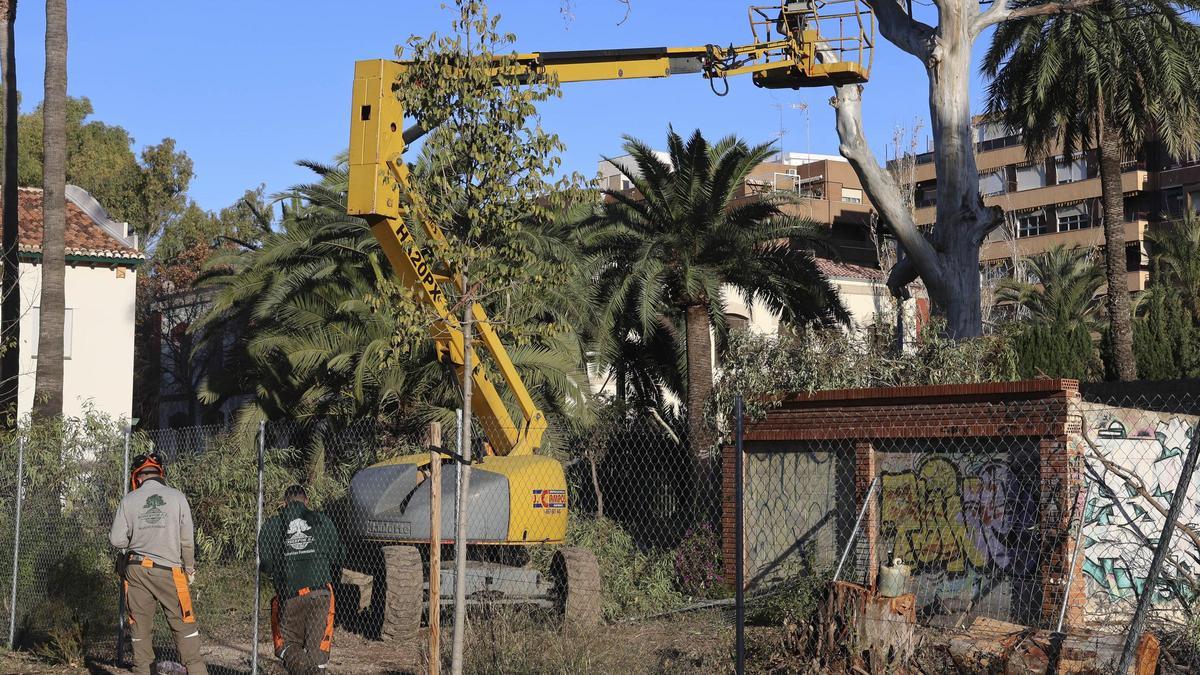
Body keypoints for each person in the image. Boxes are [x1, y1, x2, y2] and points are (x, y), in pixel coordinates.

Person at [109, 452, 209, 675]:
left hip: (134, 570)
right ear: (160, 473)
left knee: (140, 634)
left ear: (137, 476)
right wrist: (190, 567)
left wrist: (136, 539)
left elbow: (116, 540)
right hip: (169, 572)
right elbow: (187, 540)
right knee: (185, 630)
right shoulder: (177, 497)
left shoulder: (129, 499)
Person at [260, 484, 345, 674]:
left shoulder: (272, 525)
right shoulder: (322, 521)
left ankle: (304, 668)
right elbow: (339, 555)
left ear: (284, 503)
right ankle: (313, 669)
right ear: (306, 501)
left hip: (290, 596)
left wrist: (281, 573)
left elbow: (265, 565)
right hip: (320, 593)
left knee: (286, 644)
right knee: (318, 650)